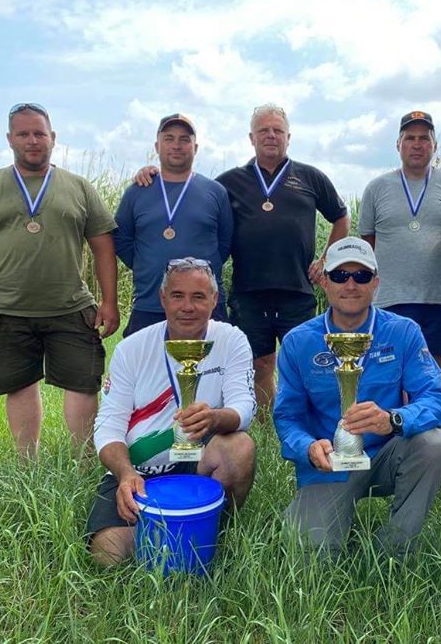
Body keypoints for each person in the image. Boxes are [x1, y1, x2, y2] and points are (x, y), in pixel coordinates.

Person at [135, 104, 350, 410]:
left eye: (278, 130)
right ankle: (265, 425)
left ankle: (305, 424)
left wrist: (327, 258)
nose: (271, 136)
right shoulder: (230, 181)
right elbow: (189, 191)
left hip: (297, 290)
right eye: (264, 130)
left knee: (304, 365)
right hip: (249, 292)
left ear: (289, 137)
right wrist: (153, 173)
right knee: (258, 365)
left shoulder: (310, 177)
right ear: (251, 137)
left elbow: (341, 217)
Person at [0, 103, 119, 457]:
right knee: (20, 385)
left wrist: (110, 302)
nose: (32, 140)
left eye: (39, 133)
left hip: (70, 306)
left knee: (83, 384)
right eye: (23, 134)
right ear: (10, 139)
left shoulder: (79, 187)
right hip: (3, 308)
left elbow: (103, 247)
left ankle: (85, 460)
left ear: (53, 138)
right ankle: (28, 465)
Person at [273, 237, 441, 558]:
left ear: (376, 283)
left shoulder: (403, 331)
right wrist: (308, 447)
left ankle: (395, 549)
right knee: (311, 554)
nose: (351, 284)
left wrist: (394, 420)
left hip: (385, 455)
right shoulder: (299, 342)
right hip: (327, 464)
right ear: (324, 282)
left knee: (433, 444)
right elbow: (287, 417)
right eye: (340, 276)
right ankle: (333, 520)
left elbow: (435, 400)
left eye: (361, 276)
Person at [86, 257, 256, 566]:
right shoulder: (132, 348)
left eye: (198, 296)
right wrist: (125, 473)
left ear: (214, 300)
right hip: (141, 472)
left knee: (240, 446)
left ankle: (213, 530)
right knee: (107, 555)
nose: (187, 306)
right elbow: (109, 425)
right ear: (163, 299)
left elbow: (244, 407)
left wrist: (215, 418)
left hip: (200, 464)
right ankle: (171, 538)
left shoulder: (231, 340)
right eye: (177, 295)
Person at [358, 111, 441, 372]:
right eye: (409, 138)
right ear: (398, 144)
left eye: (424, 138)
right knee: (389, 369)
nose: (417, 144)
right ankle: (390, 415)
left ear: (435, 145)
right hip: (391, 298)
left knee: (433, 370)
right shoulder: (376, 188)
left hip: (440, 297)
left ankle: (431, 415)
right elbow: (368, 243)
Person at [114, 113, 233, 336]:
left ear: (195, 147)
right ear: (157, 146)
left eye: (184, 139)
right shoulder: (137, 191)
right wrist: (147, 264)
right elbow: (122, 241)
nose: (176, 145)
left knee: (209, 369)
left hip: (204, 306)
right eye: (169, 138)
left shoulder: (215, 192)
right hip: (150, 303)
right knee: (143, 369)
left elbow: (225, 244)